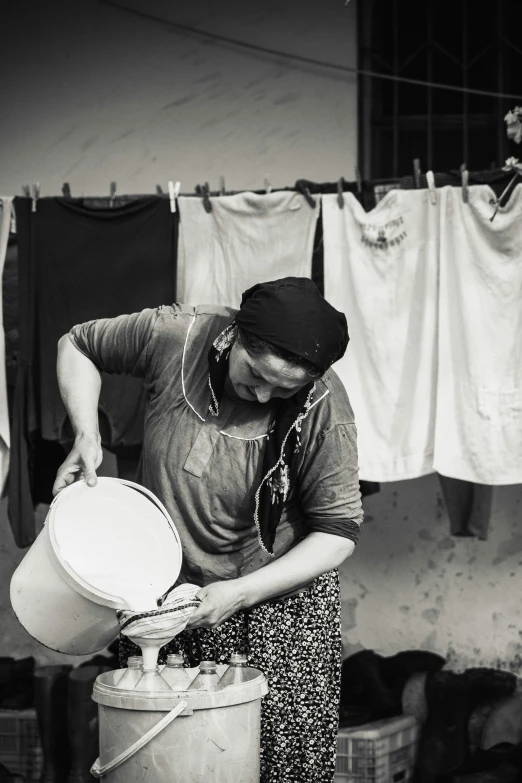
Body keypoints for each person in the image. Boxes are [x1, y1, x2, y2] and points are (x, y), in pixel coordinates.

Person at [53, 277, 363, 783]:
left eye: (285, 389)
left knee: (278, 763)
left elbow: (337, 533)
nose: (264, 394)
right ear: (237, 336)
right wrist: (86, 434)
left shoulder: (324, 407)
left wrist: (238, 595)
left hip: (276, 608)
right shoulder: (178, 338)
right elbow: (78, 343)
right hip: (164, 595)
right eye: (256, 375)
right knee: (164, 758)